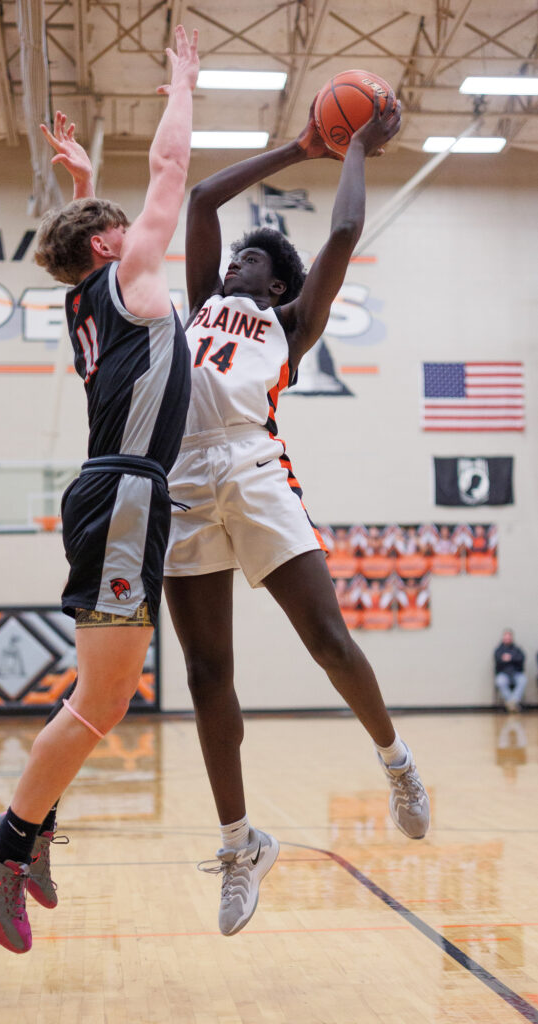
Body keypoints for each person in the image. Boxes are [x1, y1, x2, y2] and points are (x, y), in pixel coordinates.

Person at [163, 93, 430, 937]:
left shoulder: (288, 321)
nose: (233, 264)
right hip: (181, 479)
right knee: (208, 676)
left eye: (250, 261)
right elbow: (203, 199)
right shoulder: (202, 299)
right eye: (233, 261)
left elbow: (344, 236)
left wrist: (352, 150)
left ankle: (396, 762)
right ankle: (241, 846)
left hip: (251, 463)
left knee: (327, 638)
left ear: (274, 283)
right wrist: (299, 145)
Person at [0, 25, 199, 954]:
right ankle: (3, 846)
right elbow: (171, 167)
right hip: (129, 497)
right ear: (110, 244)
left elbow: (83, 235)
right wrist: (182, 84)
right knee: (104, 703)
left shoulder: (84, 295)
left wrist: (78, 176)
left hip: (117, 493)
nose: (137, 226)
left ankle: (37, 826)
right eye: (118, 224)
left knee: (98, 692)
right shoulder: (127, 276)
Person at [493, 629, 527, 712]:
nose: (507, 639)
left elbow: (521, 658)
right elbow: (498, 660)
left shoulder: (517, 649)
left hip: (516, 673)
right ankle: (512, 703)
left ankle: (512, 702)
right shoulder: (498, 650)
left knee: (523, 680)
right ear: (503, 638)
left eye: (509, 638)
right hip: (504, 674)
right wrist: (512, 659)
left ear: (512, 638)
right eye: (506, 638)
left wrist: (510, 658)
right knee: (500, 681)